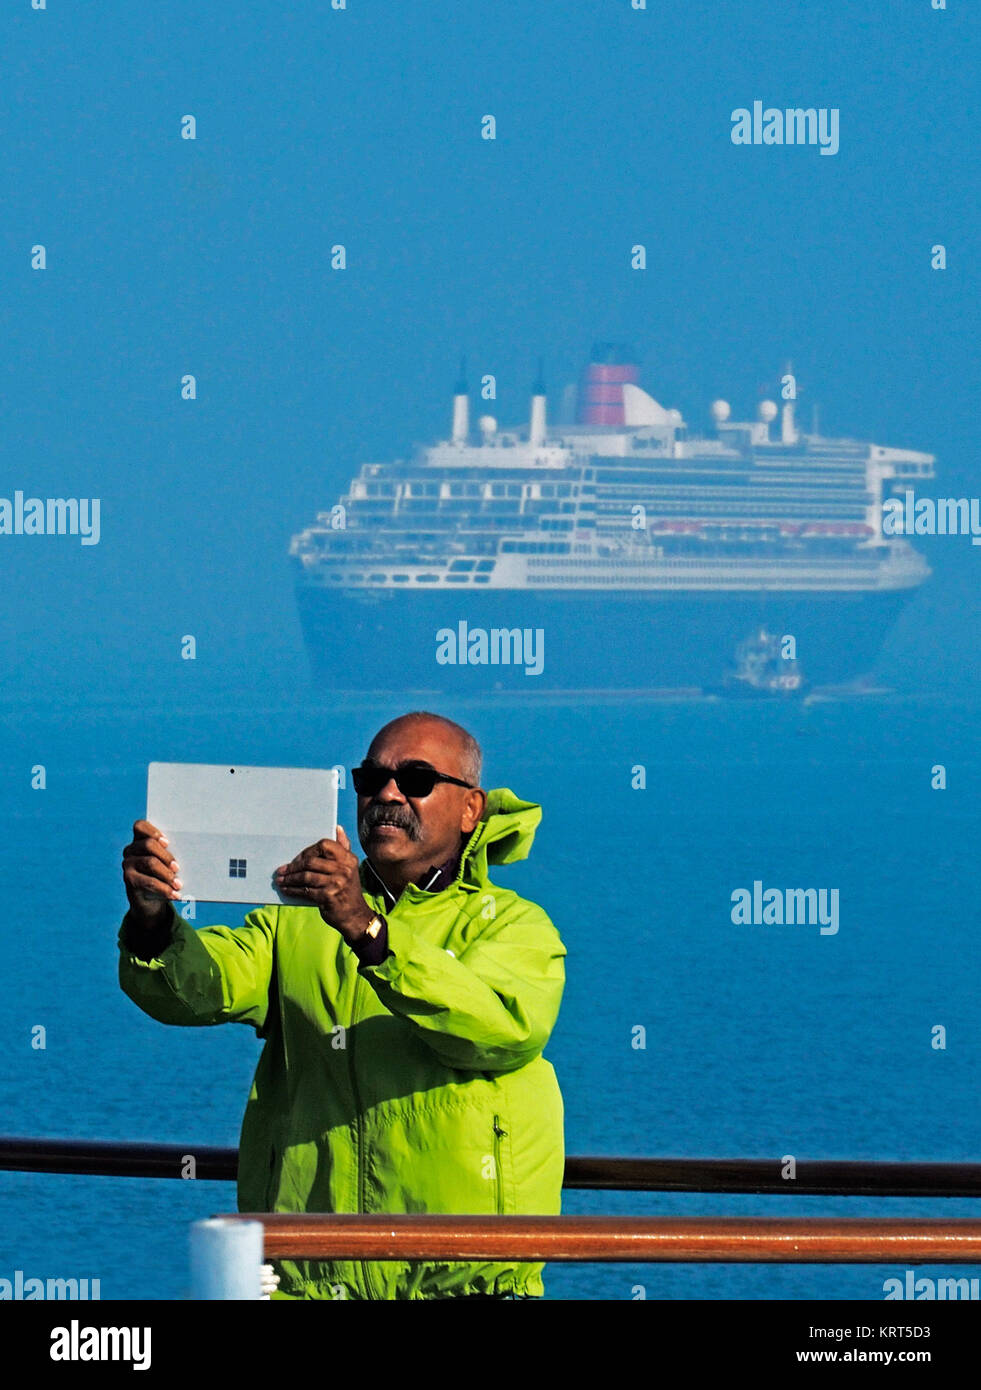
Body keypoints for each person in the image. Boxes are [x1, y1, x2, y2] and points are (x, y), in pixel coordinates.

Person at [118, 710, 566, 1300]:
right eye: (370, 778)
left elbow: (498, 1028)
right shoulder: (298, 923)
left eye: (417, 779)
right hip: (307, 1285)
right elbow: (198, 989)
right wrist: (152, 921)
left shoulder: (513, 926)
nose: (387, 793)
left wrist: (366, 930)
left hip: (465, 1285)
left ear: (470, 809)